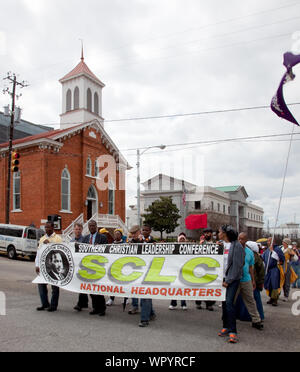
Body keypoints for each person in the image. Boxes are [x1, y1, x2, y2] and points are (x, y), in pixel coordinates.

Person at [217, 225, 245, 344]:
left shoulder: (236, 246)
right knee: (224, 303)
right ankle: (226, 327)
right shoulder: (222, 245)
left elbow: (238, 265)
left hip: (231, 280)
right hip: (222, 278)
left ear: (225, 233)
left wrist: (228, 280)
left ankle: (233, 331)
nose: (218, 234)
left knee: (229, 303)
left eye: (219, 232)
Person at [127, 225, 156, 327]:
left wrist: (140, 242)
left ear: (139, 232)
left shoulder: (151, 241)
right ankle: (151, 313)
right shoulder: (132, 242)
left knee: (145, 295)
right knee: (142, 293)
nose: (133, 236)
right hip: (137, 272)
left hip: (149, 272)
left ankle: (144, 319)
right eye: (132, 234)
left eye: (135, 234)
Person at [235, 233, 263, 330]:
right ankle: (228, 318)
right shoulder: (233, 250)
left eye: (242, 239)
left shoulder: (250, 253)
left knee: (250, 300)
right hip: (235, 280)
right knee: (231, 301)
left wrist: (253, 280)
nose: (239, 241)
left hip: (246, 280)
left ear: (246, 240)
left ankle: (256, 320)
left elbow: (251, 267)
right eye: (238, 238)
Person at [82, 220, 108, 316]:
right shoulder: (85, 238)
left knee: (99, 289)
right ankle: (95, 308)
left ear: (96, 226)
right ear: (88, 227)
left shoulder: (102, 237)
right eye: (90, 226)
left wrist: (99, 248)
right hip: (88, 267)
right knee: (91, 289)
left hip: (98, 267)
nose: (91, 227)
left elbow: (106, 250)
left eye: (93, 226)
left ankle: (102, 308)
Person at [35, 221, 62, 312]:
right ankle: (45, 304)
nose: (47, 229)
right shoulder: (42, 239)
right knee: (41, 285)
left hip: (54, 266)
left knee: (54, 287)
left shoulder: (58, 238)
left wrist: (49, 244)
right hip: (44, 266)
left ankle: (53, 305)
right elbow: (38, 253)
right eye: (45, 227)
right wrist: (37, 265)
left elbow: (61, 252)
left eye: (48, 227)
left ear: (53, 228)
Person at [196, 227, 216, 311]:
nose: (207, 234)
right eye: (205, 233)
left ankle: (209, 304)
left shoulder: (216, 243)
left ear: (211, 234)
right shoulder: (201, 243)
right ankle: (198, 302)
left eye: (208, 233)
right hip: (202, 267)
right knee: (200, 286)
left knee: (210, 286)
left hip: (212, 268)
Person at [262, 237, 285, 307]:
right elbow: (263, 258)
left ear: (273, 242)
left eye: (269, 241)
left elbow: (280, 259)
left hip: (274, 269)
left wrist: (273, 252)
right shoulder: (267, 250)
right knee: (269, 284)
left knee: (274, 284)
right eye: (268, 241)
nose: (268, 242)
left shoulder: (277, 249)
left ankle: (275, 299)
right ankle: (271, 298)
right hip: (268, 269)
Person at [72, 223, 89, 312]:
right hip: (75, 265)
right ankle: (84, 302)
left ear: (81, 230)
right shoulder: (72, 241)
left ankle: (80, 304)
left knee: (82, 284)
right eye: (76, 229)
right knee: (81, 285)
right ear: (74, 230)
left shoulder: (85, 240)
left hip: (83, 265)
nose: (77, 231)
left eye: (79, 229)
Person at [106, 229, 125, 307]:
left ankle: (125, 298)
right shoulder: (111, 245)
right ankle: (111, 299)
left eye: (118, 234)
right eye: (115, 234)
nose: (116, 235)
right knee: (113, 284)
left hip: (123, 267)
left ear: (121, 235)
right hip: (114, 267)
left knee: (124, 284)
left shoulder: (124, 244)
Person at [169, 233, 188, 310]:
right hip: (175, 271)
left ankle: (183, 304)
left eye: (183, 239)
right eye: (181, 239)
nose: (182, 240)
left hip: (185, 271)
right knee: (175, 287)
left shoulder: (188, 248)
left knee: (183, 288)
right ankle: (173, 303)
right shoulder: (174, 248)